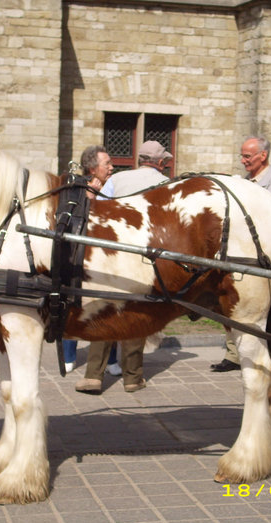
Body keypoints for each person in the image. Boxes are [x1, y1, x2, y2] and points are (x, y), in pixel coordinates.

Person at [75, 140, 171, 394]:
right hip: (144, 255)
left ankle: (93, 375)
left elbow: (100, 209)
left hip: (113, 252)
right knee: (135, 313)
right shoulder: (166, 185)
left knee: (104, 310)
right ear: (160, 163)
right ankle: (132, 377)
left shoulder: (118, 179)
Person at [210, 135, 271, 374]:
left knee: (265, 308)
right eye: (242, 155)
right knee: (233, 303)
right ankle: (234, 354)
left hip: (263, 256)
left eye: (247, 156)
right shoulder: (248, 180)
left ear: (262, 156)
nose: (243, 160)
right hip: (242, 252)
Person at [62, 145, 121, 375]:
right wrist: (87, 200)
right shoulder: (76, 189)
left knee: (109, 306)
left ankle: (112, 359)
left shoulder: (113, 187)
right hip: (80, 258)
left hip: (107, 258)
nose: (111, 167)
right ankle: (69, 354)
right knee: (75, 307)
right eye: (107, 164)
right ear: (92, 167)